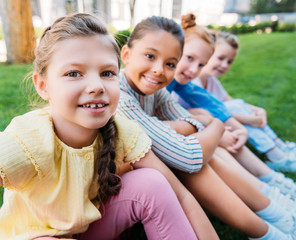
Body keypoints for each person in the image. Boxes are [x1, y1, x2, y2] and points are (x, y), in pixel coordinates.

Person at [0, 13, 201, 240]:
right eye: (73, 73)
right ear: (43, 86)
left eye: (107, 73)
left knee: (152, 182)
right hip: (29, 236)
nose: (97, 86)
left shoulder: (121, 129)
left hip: (82, 230)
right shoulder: (27, 141)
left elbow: (182, 197)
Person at [117, 13, 295, 239]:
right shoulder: (121, 98)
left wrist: (202, 124)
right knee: (198, 162)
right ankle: (271, 229)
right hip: (122, 184)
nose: (159, 69)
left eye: (170, 63)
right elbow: (188, 157)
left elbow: (188, 123)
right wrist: (215, 124)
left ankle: (279, 216)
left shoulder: (156, 90)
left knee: (209, 152)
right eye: (150, 56)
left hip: (157, 161)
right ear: (126, 54)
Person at [167, 30, 296, 200]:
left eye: (200, 64)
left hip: (192, 133)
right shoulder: (173, 81)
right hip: (180, 142)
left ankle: (273, 173)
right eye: (189, 58)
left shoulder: (185, 82)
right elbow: (175, 115)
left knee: (230, 110)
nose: (193, 69)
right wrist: (217, 129)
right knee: (213, 121)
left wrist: (240, 127)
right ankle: (271, 174)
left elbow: (216, 105)